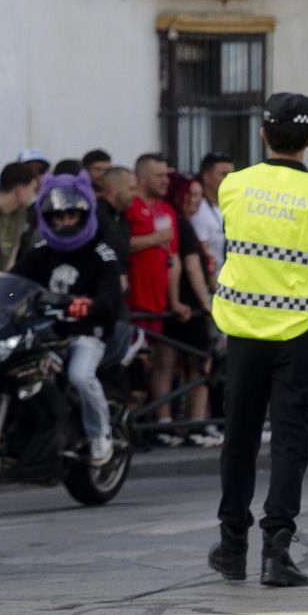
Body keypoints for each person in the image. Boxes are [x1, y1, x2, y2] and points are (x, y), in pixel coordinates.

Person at [208, 92, 308, 589]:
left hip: (242, 330)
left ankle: (232, 544)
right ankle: (276, 550)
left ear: (263, 134)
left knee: (239, 437)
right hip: (298, 332)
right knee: (291, 442)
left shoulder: (233, 186)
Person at [10, 175, 123, 466]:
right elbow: (13, 284)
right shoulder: (39, 251)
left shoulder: (102, 253)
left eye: (71, 214)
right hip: (43, 332)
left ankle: (100, 435)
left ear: (84, 214)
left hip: (86, 334)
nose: (65, 221)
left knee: (80, 376)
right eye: (58, 215)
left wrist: (88, 306)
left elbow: (111, 300)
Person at [127, 152, 189, 444]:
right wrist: (154, 239)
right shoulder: (131, 206)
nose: (166, 181)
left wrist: (174, 300)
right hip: (134, 302)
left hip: (159, 303)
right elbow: (121, 245)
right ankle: (130, 428)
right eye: (159, 176)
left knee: (163, 364)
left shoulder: (167, 210)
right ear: (142, 178)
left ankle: (161, 424)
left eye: (167, 175)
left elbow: (173, 259)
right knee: (134, 366)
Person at [168, 176, 220, 447]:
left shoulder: (184, 223)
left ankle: (193, 422)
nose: (195, 200)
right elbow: (191, 266)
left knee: (193, 365)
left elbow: (204, 264)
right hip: (191, 304)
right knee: (200, 364)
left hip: (190, 303)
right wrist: (207, 304)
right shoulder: (181, 224)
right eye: (190, 194)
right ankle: (195, 424)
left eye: (199, 195)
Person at [192, 151, 234, 275]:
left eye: (232, 175)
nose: (229, 179)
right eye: (224, 174)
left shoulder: (232, 205)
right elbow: (203, 256)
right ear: (206, 176)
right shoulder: (198, 209)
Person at [94, 166, 135, 268]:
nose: (135, 194)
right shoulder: (96, 215)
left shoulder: (122, 216)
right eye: (131, 189)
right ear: (113, 188)